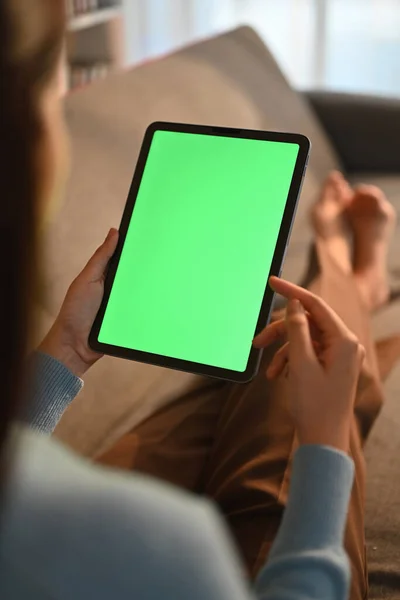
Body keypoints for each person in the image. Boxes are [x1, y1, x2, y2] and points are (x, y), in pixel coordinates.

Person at [0, 1, 398, 599]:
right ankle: (346, 277)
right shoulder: (154, 544)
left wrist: (67, 349)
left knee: (250, 369)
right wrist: (323, 438)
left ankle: (348, 288)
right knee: (292, 381)